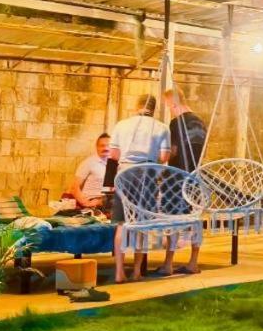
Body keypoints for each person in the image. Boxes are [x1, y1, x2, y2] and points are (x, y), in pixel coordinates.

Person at [106, 94, 171, 283]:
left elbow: (114, 154)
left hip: (125, 173)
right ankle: (136, 272)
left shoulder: (121, 125)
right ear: (154, 108)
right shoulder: (162, 127)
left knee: (121, 223)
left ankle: (119, 272)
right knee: (141, 224)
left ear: (137, 106)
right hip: (147, 173)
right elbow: (164, 157)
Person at [163, 88, 207, 275]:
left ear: (173, 103)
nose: (169, 110)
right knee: (195, 220)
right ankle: (193, 262)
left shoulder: (176, 123)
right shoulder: (201, 123)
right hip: (195, 178)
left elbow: (172, 151)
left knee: (172, 220)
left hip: (176, 178)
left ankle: (168, 264)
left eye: (168, 106)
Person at [67, 133, 111, 211]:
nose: (106, 148)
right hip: (93, 200)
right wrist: (85, 203)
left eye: (108, 145)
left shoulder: (113, 165)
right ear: (97, 147)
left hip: (106, 201)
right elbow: (74, 187)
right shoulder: (89, 163)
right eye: (102, 146)